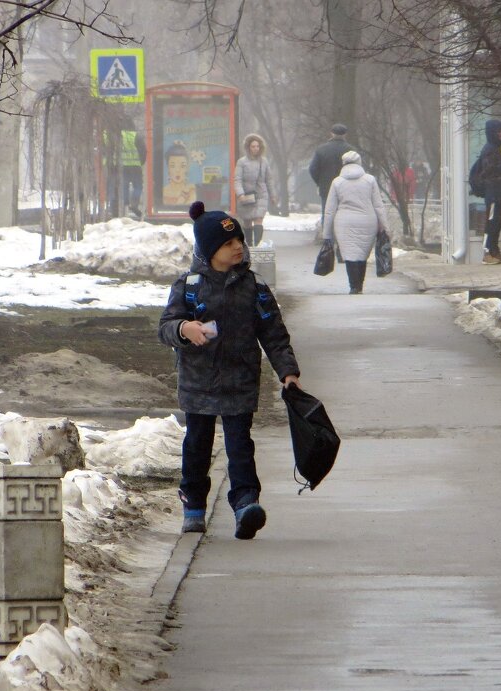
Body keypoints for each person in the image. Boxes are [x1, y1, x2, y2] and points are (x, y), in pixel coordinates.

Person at [158, 200, 302, 541]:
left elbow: (274, 334)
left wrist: (288, 372)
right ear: (210, 250)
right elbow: (165, 327)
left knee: (240, 447)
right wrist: (184, 330)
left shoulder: (254, 288)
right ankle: (194, 505)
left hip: (240, 381)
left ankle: (245, 504)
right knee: (197, 445)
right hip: (199, 384)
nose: (238, 246)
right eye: (228, 243)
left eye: (238, 240)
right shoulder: (188, 287)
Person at [321, 150, 387, 294]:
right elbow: (378, 205)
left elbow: (330, 210)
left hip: (344, 222)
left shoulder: (337, 182)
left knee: (350, 254)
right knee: (362, 254)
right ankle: (359, 285)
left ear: (343, 163)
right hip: (367, 221)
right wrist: (384, 226)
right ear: (359, 162)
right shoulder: (370, 180)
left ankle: (353, 286)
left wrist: (327, 234)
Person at [474, 119, 501, 264]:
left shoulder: (499, 148)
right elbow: (492, 170)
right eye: (499, 131)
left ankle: (495, 250)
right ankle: (487, 253)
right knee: (491, 221)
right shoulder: (489, 149)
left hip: (500, 192)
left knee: (498, 221)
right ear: (492, 132)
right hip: (493, 192)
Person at [234, 133, 278, 246]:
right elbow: (237, 179)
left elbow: (269, 179)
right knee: (247, 221)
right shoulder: (242, 162)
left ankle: (258, 244)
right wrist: (240, 194)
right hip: (246, 195)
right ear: (248, 147)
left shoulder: (264, 162)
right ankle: (249, 244)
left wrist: (273, 195)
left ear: (261, 147)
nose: (255, 149)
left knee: (259, 219)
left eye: (257, 146)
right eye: (253, 146)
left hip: (261, 194)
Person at [309, 123, 353, 222]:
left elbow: (312, 169)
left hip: (326, 187)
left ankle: (328, 236)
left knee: (327, 213)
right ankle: (341, 236)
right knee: (344, 214)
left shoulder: (321, 149)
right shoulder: (351, 150)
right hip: (346, 187)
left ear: (331, 133)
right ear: (345, 135)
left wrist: (319, 182)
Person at [121, 126, 147, 217]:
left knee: (125, 186)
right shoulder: (136, 136)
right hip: (135, 166)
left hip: (124, 166)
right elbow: (143, 151)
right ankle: (134, 204)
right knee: (138, 186)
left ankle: (125, 204)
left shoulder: (120, 136)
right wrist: (141, 162)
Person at [162, 141, 196, 206]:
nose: (178, 170)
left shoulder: (191, 191)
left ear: (187, 168)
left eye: (182, 166)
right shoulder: (163, 192)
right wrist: (183, 195)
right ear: (168, 168)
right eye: (173, 166)